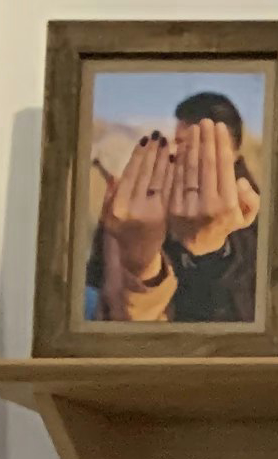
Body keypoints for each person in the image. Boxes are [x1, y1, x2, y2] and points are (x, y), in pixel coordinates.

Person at [86, 90, 261, 327]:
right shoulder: (162, 195)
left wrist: (210, 251)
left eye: (198, 146)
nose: (180, 154)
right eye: (178, 143)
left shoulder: (251, 210)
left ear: (232, 152)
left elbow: (240, 301)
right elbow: (97, 275)